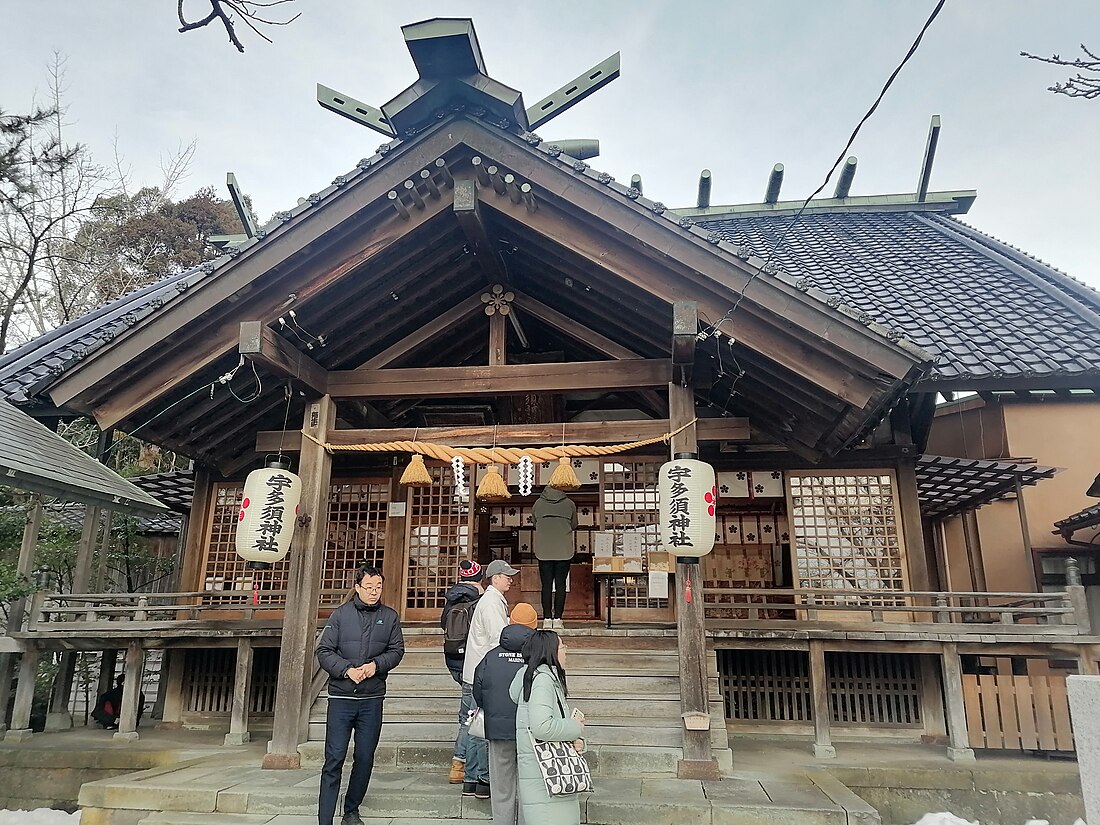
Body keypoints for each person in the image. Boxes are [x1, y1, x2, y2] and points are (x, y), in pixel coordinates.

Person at [316, 564, 405, 825]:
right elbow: (324, 651)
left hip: (372, 698)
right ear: (357, 587)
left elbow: (397, 650)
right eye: (368, 587)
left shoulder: (389, 617)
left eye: (378, 587)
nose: (374, 592)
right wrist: (346, 670)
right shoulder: (341, 615)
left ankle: (351, 810)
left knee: (365, 757)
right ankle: (324, 819)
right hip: (342, 698)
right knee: (334, 758)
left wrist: (375, 665)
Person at [510, 630, 586, 825]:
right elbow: (542, 726)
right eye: (562, 646)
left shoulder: (541, 678)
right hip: (546, 777)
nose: (566, 651)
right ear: (550, 651)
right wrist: (575, 727)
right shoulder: (543, 680)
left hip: (545, 773)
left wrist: (576, 740)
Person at [473, 603, 539, 825]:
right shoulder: (538, 656)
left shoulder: (491, 657)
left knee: (501, 784)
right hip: (532, 730)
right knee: (530, 784)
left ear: (509, 622)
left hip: (498, 729)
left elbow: (478, 690)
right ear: (535, 626)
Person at [461, 558, 520, 799]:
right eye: (507, 576)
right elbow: (499, 640)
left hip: (475, 672)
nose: (511, 579)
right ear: (495, 578)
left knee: (476, 725)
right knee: (483, 726)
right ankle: (483, 778)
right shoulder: (492, 603)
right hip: (484, 675)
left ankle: (471, 778)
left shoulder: (490, 601)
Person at [441, 559, 485, 783]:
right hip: (472, 662)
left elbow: (443, 625)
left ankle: (462, 765)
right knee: (471, 717)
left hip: (453, 660)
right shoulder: (478, 601)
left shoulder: (451, 599)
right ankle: (461, 765)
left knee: (467, 715)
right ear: (479, 579)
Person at [531, 486, 577, 629]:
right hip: (564, 551)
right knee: (560, 585)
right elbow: (574, 524)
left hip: (544, 551)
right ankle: (558, 619)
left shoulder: (538, 503)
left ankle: (546, 619)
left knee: (546, 585)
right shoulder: (569, 503)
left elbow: (534, 523)